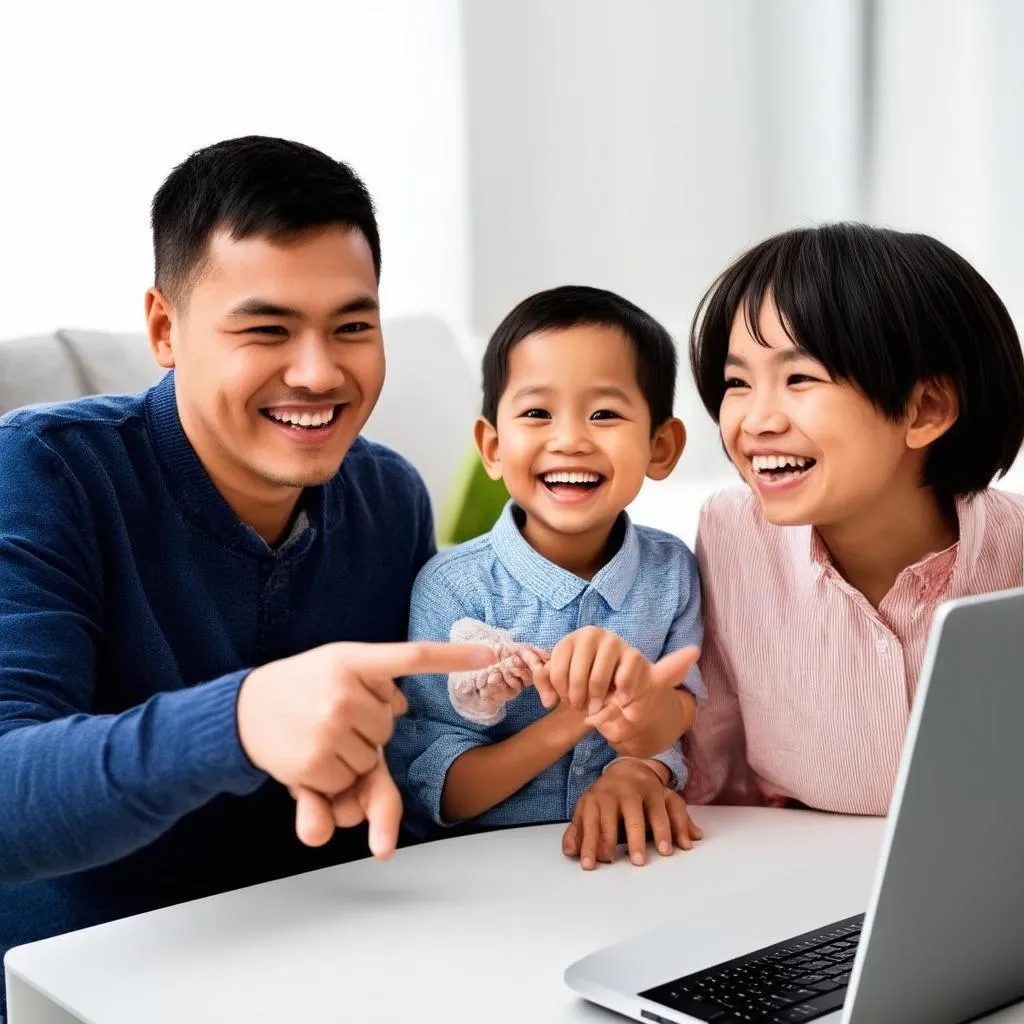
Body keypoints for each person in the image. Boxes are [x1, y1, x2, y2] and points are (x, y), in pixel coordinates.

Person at [0, 136, 491, 1014]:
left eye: (352, 326)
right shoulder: (44, 473)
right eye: (266, 329)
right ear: (164, 328)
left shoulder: (387, 495)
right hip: (85, 986)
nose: (318, 372)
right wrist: (238, 719)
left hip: (332, 962)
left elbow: (421, 756)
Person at [684, 223, 1024, 814]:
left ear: (926, 409)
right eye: (737, 382)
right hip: (799, 875)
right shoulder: (732, 533)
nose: (755, 421)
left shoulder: (1014, 554)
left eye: (799, 378)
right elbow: (710, 756)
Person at [388, 285, 705, 870]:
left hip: (629, 866)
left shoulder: (673, 571)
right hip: (478, 878)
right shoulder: (453, 588)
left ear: (661, 446)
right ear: (492, 446)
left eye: (605, 413)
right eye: (537, 413)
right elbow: (436, 790)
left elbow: (681, 714)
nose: (570, 440)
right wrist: (574, 718)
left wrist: (636, 770)